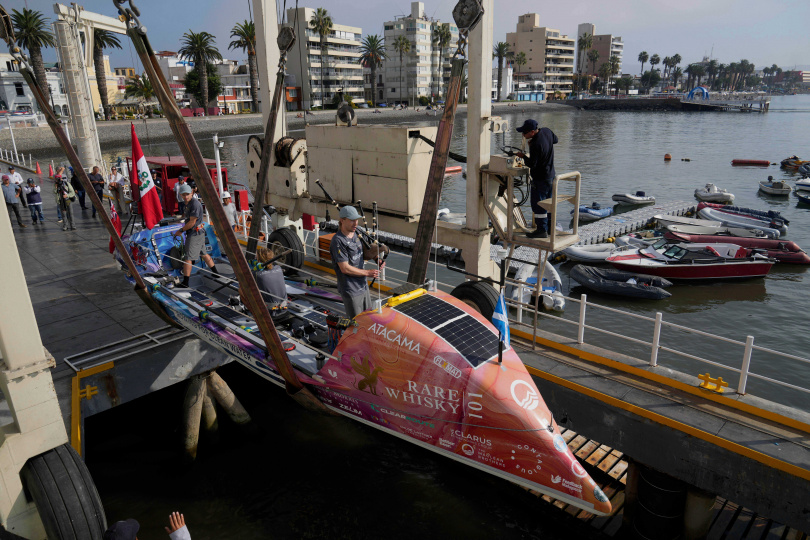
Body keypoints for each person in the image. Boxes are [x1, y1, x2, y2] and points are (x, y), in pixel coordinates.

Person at [330, 205, 383, 319]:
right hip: (351, 290)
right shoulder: (338, 241)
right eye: (352, 220)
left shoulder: (357, 232)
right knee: (356, 322)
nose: (355, 223)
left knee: (368, 317)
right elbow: (345, 268)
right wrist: (368, 273)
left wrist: (377, 259)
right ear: (342, 220)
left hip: (363, 285)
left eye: (356, 220)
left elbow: (366, 249)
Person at [515, 119, 558, 239]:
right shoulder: (547, 131)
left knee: (539, 205)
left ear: (532, 132)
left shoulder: (535, 144)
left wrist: (523, 156)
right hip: (551, 175)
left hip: (540, 178)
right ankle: (549, 228)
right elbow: (556, 140)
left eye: (525, 133)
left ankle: (541, 230)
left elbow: (532, 164)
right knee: (549, 203)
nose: (523, 135)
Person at [173, 184, 219, 287]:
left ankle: (185, 283)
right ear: (180, 195)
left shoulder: (194, 204)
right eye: (184, 195)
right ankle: (216, 273)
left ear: (192, 193)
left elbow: (192, 222)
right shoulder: (188, 203)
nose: (186, 197)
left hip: (195, 233)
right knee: (203, 253)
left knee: (188, 258)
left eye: (187, 194)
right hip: (198, 233)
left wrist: (180, 230)